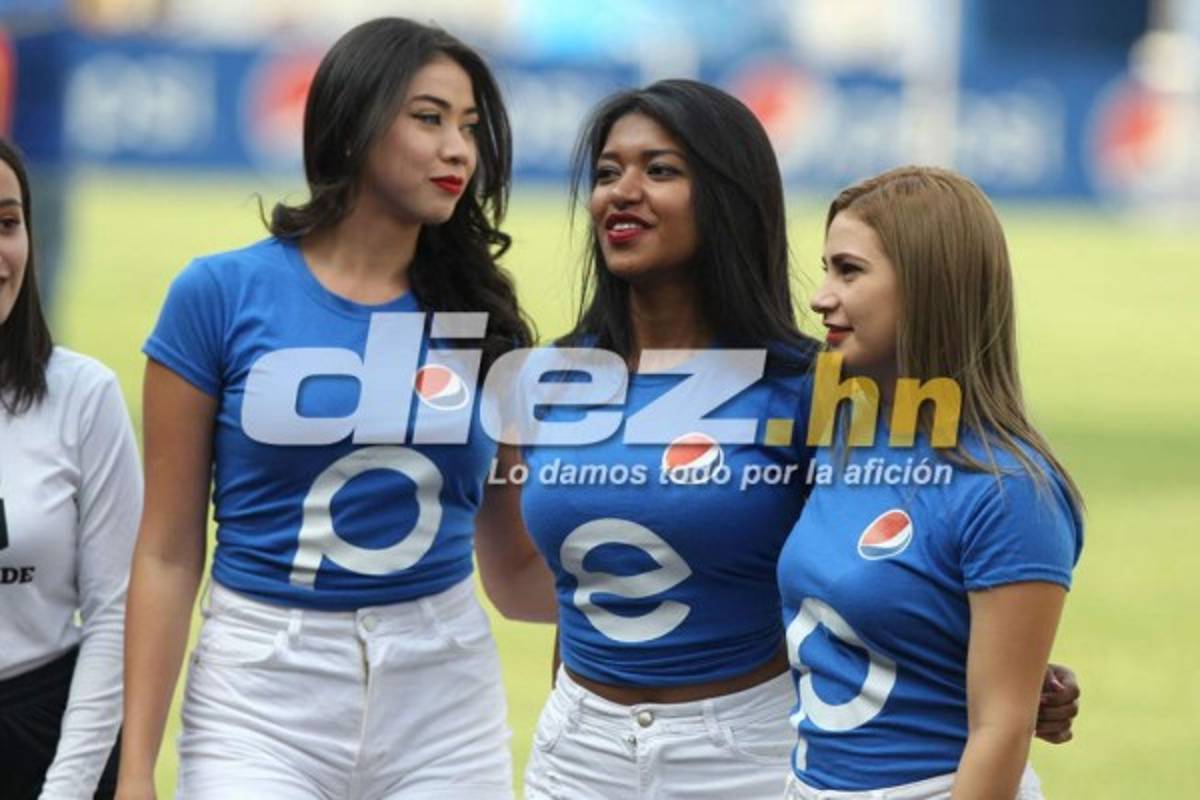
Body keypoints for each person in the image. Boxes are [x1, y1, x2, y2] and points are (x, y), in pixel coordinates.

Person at [494, 82, 1080, 800]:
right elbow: (569, 584)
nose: (624, 191)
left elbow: (921, 547)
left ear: (727, 199)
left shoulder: (818, 387)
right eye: (609, 171)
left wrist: (1013, 684)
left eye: (661, 170)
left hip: (749, 751)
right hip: (575, 751)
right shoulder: (554, 382)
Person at [116, 18, 537, 800]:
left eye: (471, 128)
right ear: (353, 120)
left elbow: (515, 564)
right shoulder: (217, 295)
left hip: (445, 697)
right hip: (261, 694)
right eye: (429, 118)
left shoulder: (486, 320)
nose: (459, 150)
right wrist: (135, 768)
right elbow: (169, 551)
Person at [777, 166, 1084, 799]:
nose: (819, 296)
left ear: (927, 288)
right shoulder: (843, 430)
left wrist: (1022, 690)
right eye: (826, 268)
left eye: (849, 270)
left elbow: (999, 731)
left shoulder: (1009, 490)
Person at [0, 137, 142, 799]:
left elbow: (117, 613)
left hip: (50, 740)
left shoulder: (85, 396)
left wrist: (69, 787)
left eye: (7, 223)